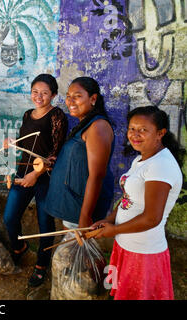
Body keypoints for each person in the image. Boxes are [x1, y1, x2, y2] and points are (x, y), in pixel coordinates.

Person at [92, 106, 184, 300]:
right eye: (132, 128)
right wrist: (108, 220)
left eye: (143, 129)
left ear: (160, 133)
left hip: (143, 252)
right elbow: (128, 199)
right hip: (126, 245)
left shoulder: (161, 165)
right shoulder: (142, 158)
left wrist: (113, 230)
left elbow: (152, 218)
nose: (135, 134)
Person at [2, 74, 68, 287]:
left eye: (45, 93)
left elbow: (56, 153)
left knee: (45, 223)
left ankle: (41, 264)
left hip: (46, 177)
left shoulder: (57, 116)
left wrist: (36, 174)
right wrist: (12, 142)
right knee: (10, 217)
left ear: (54, 95)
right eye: (35, 92)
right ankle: (19, 247)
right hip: (23, 171)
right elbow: (28, 145)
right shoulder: (27, 115)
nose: (38, 96)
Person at [42, 77, 115, 227]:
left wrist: (85, 216)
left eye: (77, 96)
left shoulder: (98, 127)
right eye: (68, 96)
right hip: (73, 206)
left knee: (73, 250)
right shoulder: (86, 124)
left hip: (81, 210)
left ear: (93, 99)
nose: (70, 101)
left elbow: (97, 175)